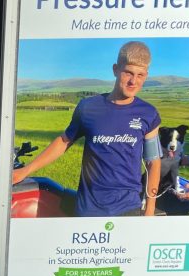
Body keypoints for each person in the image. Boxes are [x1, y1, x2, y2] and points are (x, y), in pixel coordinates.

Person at [12, 41, 162, 217]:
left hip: (128, 209)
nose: (133, 81)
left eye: (140, 75)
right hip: (89, 208)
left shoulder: (148, 113)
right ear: (115, 69)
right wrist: (26, 170)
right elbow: (63, 142)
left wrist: (150, 209)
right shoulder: (88, 107)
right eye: (128, 73)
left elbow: (153, 162)